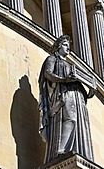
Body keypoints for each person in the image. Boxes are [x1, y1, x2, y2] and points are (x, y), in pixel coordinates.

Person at [38, 35, 94, 163]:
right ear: (58, 46)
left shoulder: (71, 65)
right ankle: (61, 151)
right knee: (70, 119)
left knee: (79, 123)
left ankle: (75, 150)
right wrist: (64, 80)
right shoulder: (52, 59)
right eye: (65, 44)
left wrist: (91, 90)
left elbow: (79, 83)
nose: (68, 48)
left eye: (69, 46)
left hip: (76, 96)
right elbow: (48, 74)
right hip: (63, 93)